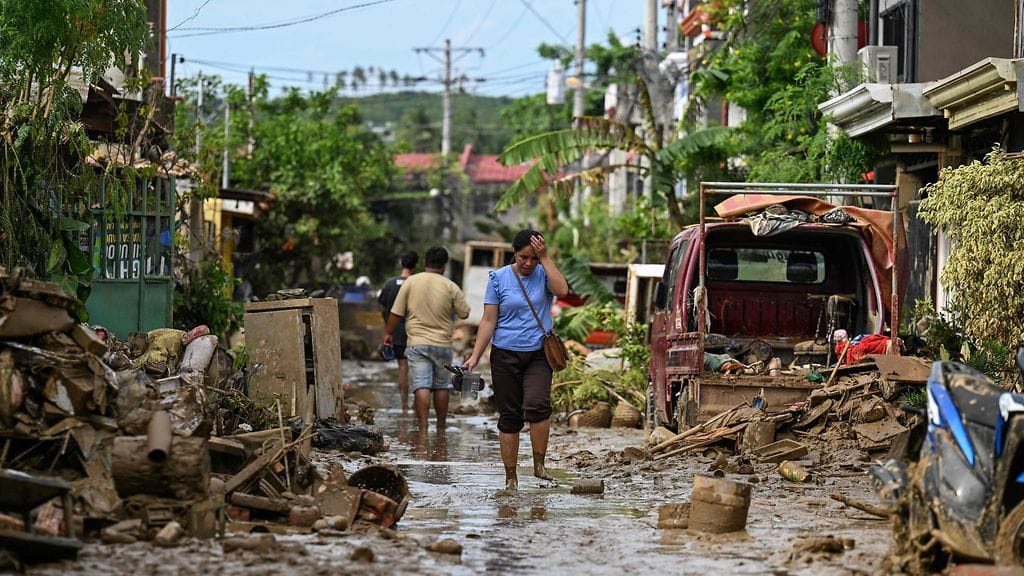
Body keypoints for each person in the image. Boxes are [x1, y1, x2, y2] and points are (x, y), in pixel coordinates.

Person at [463, 230, 569, 491]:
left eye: (534, 258)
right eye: (524, 257)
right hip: (505, 354)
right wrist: (475, 356)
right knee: (509, 416)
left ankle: (539, 465)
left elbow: (563, 291)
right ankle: (511, 477)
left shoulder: (544, 273)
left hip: (538, 354)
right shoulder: (498, 278)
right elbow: (489, 320)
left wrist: (546, 258)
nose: (528, 263)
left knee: (537, 405)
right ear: (515, 253)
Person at [385, 246, 470, 431]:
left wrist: (388, 333)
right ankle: (441, 426)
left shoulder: (411, 282)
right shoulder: (450, 286)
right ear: (444, 266)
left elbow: (395, 313)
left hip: (418, 343)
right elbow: (464, 313)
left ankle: (422, 426)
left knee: (421, 384)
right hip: (443, 345)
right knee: (441, 386)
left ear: (424, 262)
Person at [378, 250, 418, 412]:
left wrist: (388, 328)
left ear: (401, 263)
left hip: (396, 332)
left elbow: (382, 307)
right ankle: (418, 403)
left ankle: (404, 405)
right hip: (416, 331)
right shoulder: (417, 283)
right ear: (416, 265)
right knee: (418, 367)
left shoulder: (390, 283)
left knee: (403, 366)